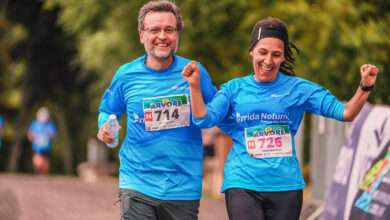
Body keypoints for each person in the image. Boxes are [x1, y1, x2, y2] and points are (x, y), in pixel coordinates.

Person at [182, 17, 379, 220]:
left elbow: (346, 113)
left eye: (276, 54)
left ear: (284, 56)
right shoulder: (234, 88)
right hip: (243, 182)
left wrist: (365, 87)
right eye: (262, 52)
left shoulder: (298, 89)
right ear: (252, 51)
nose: (268, 61)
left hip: (285, 185)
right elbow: (204, 119)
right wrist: (194, 87)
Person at [96, 1, 219, 219]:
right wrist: (106, 126)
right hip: (137, 183)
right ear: (142, 35)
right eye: (154, 30)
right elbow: (108, 110)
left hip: (183, 187)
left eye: (169, 30)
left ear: (177, 35)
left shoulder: (194, 72)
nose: (162, 36)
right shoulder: (126, 75)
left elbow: (215, 114)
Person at [27, 107, 57, 175]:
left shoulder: (50, 125)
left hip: (46, 149)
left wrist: (49, 137)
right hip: (37, 148)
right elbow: (30, 134)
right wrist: (33, 138)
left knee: (45, 167)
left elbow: (54, 135)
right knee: (38, 163)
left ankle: (43, 177)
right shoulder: (35, 124)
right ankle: (38, 172)